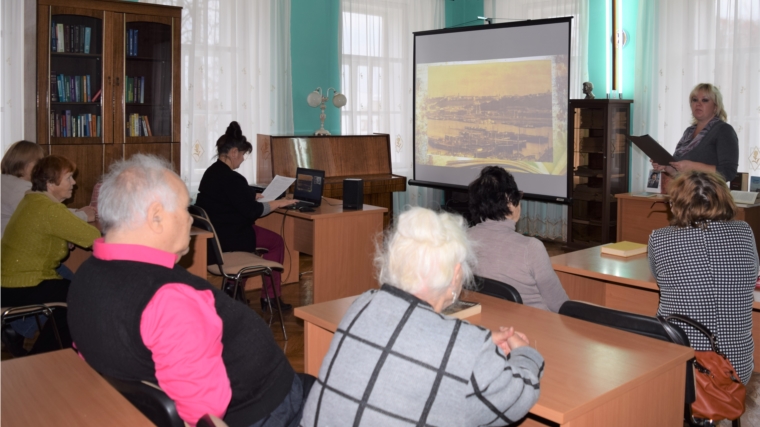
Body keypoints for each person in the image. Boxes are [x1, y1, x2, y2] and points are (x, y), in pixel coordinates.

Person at [68, 154, 312, 427]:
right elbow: (205, 412)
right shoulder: (169, 298)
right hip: (265, 408)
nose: (190, 220)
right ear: (156, 217)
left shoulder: (85, 277)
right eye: (185, 209)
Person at [301, 207, 544, 426]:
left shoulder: (363, 304)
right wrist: (524, 353)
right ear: (455, 275)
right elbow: (518, 397)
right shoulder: (462, 346)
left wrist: (476, 346)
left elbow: (407, 344)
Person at [648, 171, 758, 385]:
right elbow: (753, 274)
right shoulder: (745, 231)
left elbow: (659, 279)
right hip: (737, 370)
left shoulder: (659, 238)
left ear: (675, 205)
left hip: (684, 369)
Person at [1, 155, 100, 353]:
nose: (74, 183)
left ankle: (42, 352)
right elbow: (95, 238)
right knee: (84, 298)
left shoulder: (33, 200)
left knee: (73, 290)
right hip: (23, 284)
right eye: (69, 178)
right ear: (50, 183)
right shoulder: (49, 209)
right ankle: (46, 358)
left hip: (10, 282)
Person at [195, 122, 296, 311]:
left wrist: (249, 195)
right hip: (231, 237)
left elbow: (227, 197)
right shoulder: (233, 179)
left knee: (261, 236)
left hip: (216, 237)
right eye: (242, 155)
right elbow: (253, 212)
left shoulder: (211, 173)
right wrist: (279, 203)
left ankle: (234, 288)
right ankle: (270, 299)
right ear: (233, 152)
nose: (242, 160)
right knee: (276, 242)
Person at [467, 166, 568, 312]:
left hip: (489, 323)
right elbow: (558, 304)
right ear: (510, 201)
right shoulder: (530, 248)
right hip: (537, 327)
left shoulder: (464, 239)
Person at [1, 141, 95, 236]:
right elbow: (48, 218)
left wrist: (77, 211)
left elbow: (47, 211)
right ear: (24, 164)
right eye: (39, 162)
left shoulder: (6, 182)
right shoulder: (21, 189)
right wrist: (83, 215)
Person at [652, 83, 739, 182]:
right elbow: (682, 174)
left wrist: (693, 166)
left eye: (705, 100)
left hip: (709, 194)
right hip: (685, 193)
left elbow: (728, 172)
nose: (698, 104)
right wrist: (668, 167)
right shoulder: (688, 132)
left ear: (716, 106)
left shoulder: (723, 130)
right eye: (695, 100)